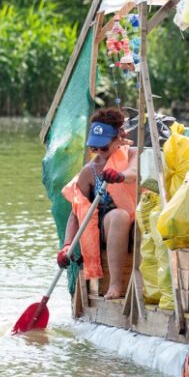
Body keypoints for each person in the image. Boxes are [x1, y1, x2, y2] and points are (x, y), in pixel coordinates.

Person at [59, 107, 138, 300]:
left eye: (104, 147)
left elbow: (135, 172)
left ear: (119, 137)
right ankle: (115, 285)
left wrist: (120, 176)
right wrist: (67, 245)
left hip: (136, 220)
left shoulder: (133, 154)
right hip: (107, 227)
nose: (100, 153)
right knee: (119, 216)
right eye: (95, 148)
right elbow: (75, 213)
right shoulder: (89, 171)